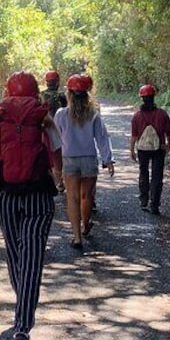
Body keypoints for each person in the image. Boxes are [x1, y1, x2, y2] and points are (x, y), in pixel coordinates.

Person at [0, 72, 61, 340]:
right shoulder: (42, 116)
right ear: (35, 92)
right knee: (32, 260)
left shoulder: (0, 117)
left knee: (16, 257)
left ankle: (22, 310)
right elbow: (57, 148)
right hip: (38, 197)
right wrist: (59, 178)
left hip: (5, 197)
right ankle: (22, 328)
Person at [54, 74, 114, 250]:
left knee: (71, 197)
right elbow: (102, 138)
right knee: (86, 196)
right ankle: (85, 225)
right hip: (89, 159)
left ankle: (76, 237)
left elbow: (55, 138)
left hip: (69, 159)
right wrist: (108, 160)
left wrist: (54, 165)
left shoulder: (61, 114)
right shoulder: (93, 115)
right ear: (88, 94)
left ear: (69, 94)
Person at [129, 83, 170, 214]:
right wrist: (168, 145)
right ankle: (155, 204)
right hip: (158, 148)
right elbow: (168, 132)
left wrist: (131, 150)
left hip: (142, 149)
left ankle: (144, 201)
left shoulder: (137, 116)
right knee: (157, 176)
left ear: (142, 98)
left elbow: (134, 136)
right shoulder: (162, 114)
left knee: (143, 173)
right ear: (154, 97)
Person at [40, 70, 67, 192]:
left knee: (46, 156)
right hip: (61, 129)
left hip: (45, 129)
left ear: (47, 82)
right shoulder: (62, 96)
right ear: (57, 82)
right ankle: (60, 183)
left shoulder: (41, 95)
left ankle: (49, 181)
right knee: (58, 157)